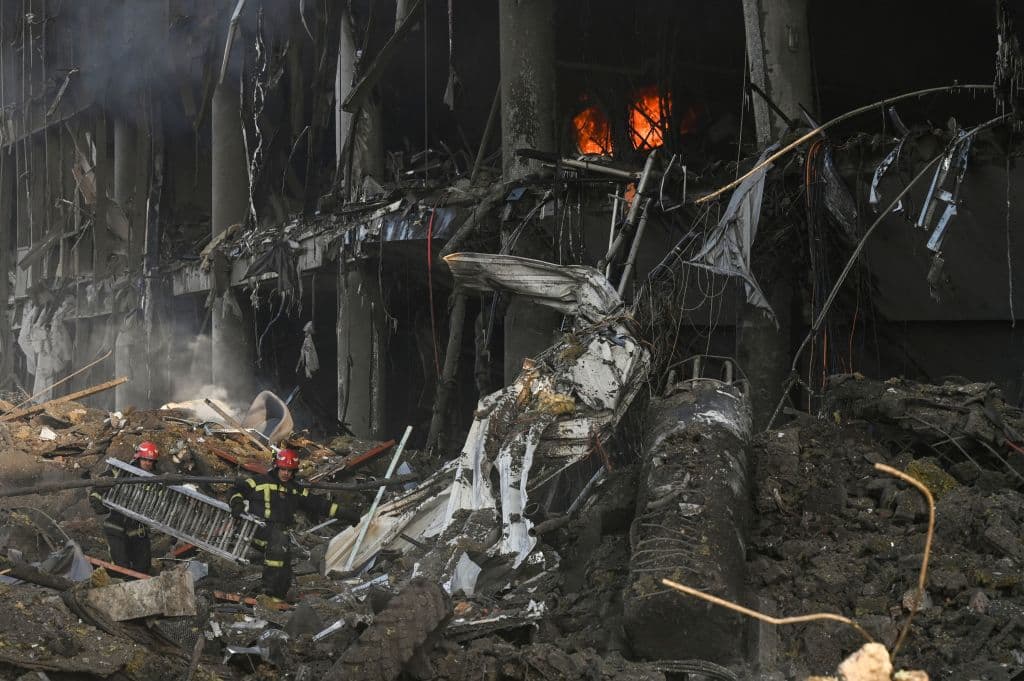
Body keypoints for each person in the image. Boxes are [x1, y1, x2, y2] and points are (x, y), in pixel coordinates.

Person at [229, 448, 342, 599]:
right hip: (258, 530)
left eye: (289, 470)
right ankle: (267, 591)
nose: (286, 473)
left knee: (285, 566)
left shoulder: (295, 490)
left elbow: (318, 504)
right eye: (283, 469)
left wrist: (347, 514)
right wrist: (236, 503)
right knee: (278, 547)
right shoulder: (258, 482)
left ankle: (277, 600)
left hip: (280, 533)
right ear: (277, 467)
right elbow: (236, 490)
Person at [89, 441, 159, 575]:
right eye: (145, 459)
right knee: (121, 566)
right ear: (138, 458)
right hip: (116, 525)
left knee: (143, 566)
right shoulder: (121, 472)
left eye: (151, 461)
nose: (147, 463)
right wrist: (99, 506)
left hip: (138, 529)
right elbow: (98, 488)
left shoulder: (155, 480)